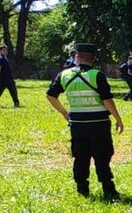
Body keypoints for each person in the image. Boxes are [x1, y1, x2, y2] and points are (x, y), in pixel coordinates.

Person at [45, 43, 124, 201]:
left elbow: (50, 95)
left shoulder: (64, 75)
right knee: (102, 156)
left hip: (77, 124)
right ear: (93, 58)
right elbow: (107, 100)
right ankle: (108, 190)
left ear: (76, 56)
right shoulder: (97, 75)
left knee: (80, 156)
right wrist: (118, 118)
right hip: (99, 123)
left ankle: (82, 189)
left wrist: (65, 113)